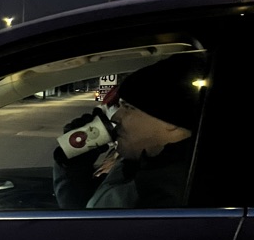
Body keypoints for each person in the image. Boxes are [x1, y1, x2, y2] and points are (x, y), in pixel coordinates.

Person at [53, 56, 206, 209]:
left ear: (172, 121)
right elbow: (87, 214)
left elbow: (88, 230)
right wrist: (73, 162)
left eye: (128, 108)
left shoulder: (169, 196)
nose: (115, 116)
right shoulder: (141, 165)